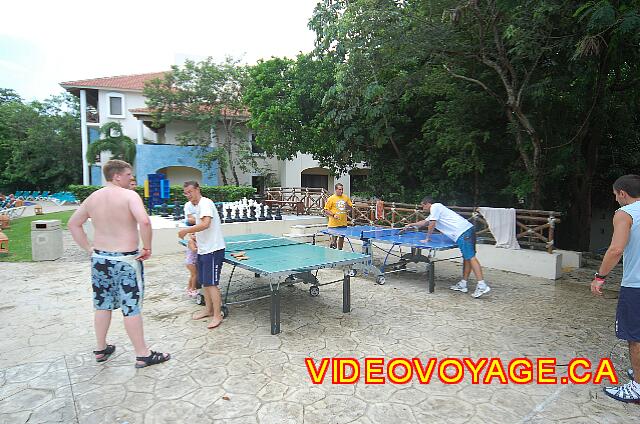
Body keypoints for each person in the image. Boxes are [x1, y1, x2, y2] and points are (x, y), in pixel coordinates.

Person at [67, 159, 170, 368]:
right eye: (129, 174)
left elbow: (73, 224)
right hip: (125, 261)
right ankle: (143, 354)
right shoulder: (129, 195)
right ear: (117, 176)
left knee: (102, 305)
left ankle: (101, 348)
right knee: (131, 307)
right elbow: (144, 221)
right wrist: (147, 247)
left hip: (100, 260)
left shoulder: (93, 198)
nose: (132, 178)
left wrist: (89, 248)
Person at [591, 174, 640, 403]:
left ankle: (637, 388)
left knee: (635, 337)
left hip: (636, 285)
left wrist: (599, 277)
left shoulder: (625, 213)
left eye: (615, 195)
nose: (615, 199)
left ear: (622, 193)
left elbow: (615, 249)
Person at [404, 196, 491, 298]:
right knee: (467, 258)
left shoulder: (435, 207)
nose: (422, 208)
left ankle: (482, 285)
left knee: (471, 258)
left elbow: (432, 224)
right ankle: (463, 284)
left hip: (463, 233)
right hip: (467, 230)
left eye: (422, 206)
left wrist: (427, 238)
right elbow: (425, 222)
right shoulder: (436, 211)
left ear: (428, 204)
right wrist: (411, 224)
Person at [178, 181, 226, 329]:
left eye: (190, 192)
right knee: (205, 282)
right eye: (185, 193)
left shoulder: (205, 203)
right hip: (203, 249)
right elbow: (202, 229)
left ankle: (217, 315)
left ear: (197, 189)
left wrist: (187, 230)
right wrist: (194, 238)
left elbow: (206, 224)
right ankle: (208, 309)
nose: (188, 195)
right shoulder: (198, 206)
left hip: (213, 250)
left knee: (212, 284)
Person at [324, 183, 353, 250]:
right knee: (334, 241)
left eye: (342, 189)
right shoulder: (331, 198)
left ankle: (340, 251)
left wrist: (347, 206)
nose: (341, 191)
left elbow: (350, 208)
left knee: (341, 238)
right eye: (340, 189)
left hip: (343, 223)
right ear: (336, 190)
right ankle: (333, 252)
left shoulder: (346, 197)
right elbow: (326, 210)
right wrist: (333, 215)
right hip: (333, 224)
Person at [183, 199, 198, 297]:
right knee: (195, 275)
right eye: (192, 234)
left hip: (192, 262)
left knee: (192, 275)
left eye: (195, 233)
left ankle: (189, 288)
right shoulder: (191, 241)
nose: (194, 235)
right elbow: (194, 250)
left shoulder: (196, 240)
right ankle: (193, 289)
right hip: (191, 262)